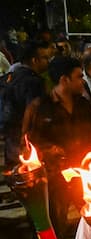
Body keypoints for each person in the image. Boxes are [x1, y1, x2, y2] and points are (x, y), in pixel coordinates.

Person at [22, 56, 91, 237]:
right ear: (64, 79)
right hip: (54, 177)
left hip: (84, 173)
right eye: (79, 76)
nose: (83, 81)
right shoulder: (40, 107)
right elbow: (29, 142)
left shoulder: (83, 105)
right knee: (56, 223)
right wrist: (49, 149)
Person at [1, 39, 49, 170]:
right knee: (27, 172)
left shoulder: (12, 75)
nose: (47, 61)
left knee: (14, 170)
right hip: (20, 132)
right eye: (45, 58)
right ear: (34, 60)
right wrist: (25, 137)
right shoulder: (34, 81)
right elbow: (32, 108)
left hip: (8, 130)